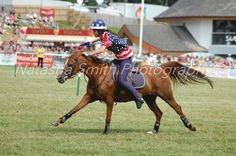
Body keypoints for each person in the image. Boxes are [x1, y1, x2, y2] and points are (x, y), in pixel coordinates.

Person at [83, 19, 144, 109]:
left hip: (126, 58)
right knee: (105, 69)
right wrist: (90, 42)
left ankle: (138, 96)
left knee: (121, 80)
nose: (92, 32)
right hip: (118, 58)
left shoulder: (106, 37)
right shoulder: (103, 35)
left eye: (94, 30)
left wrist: (89, 53)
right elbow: (99, 39)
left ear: (99, 31)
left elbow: (101, 50)